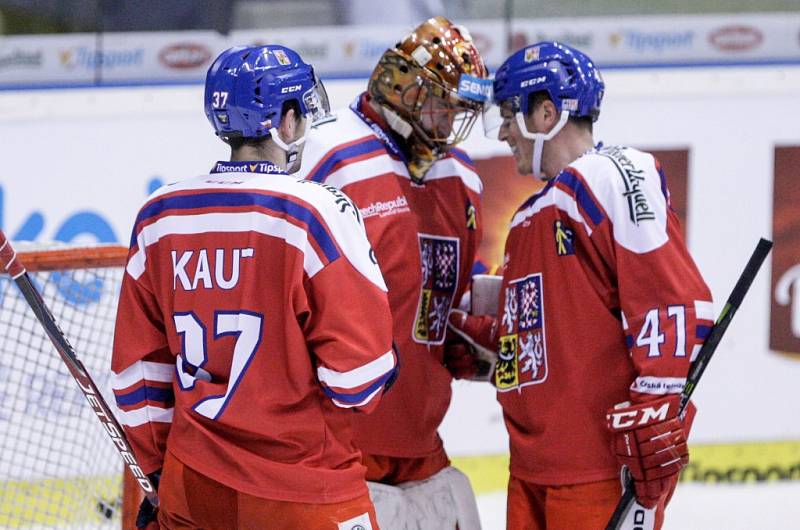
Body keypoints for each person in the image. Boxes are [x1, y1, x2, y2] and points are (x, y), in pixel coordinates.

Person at [110, 45, 397, 530]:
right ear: (285, 121)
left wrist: (161, 474)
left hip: (194, 489)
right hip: (304, 493)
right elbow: (358, 382)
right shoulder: (316, 212)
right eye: (301, 110)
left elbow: (137, 375)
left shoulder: (160, 216)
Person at [448, 41, 714, 530]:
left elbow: (669, 296)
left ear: (545, 112)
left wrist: (656, 408)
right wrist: (473, 337)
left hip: (598, 469)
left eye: (509, 114)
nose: (503, 130)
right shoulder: (532, 215)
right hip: (531, 465)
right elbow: (539, 328)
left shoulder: (612, 174)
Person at [294, 16, 490, 530]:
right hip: (338, 442)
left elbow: (455, 294)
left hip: (421, 442)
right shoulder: (325, 153)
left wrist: (473, 338)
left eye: (459, 110)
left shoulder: (461, 174)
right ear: (404, 86)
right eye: (441, 104)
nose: (449, 123)